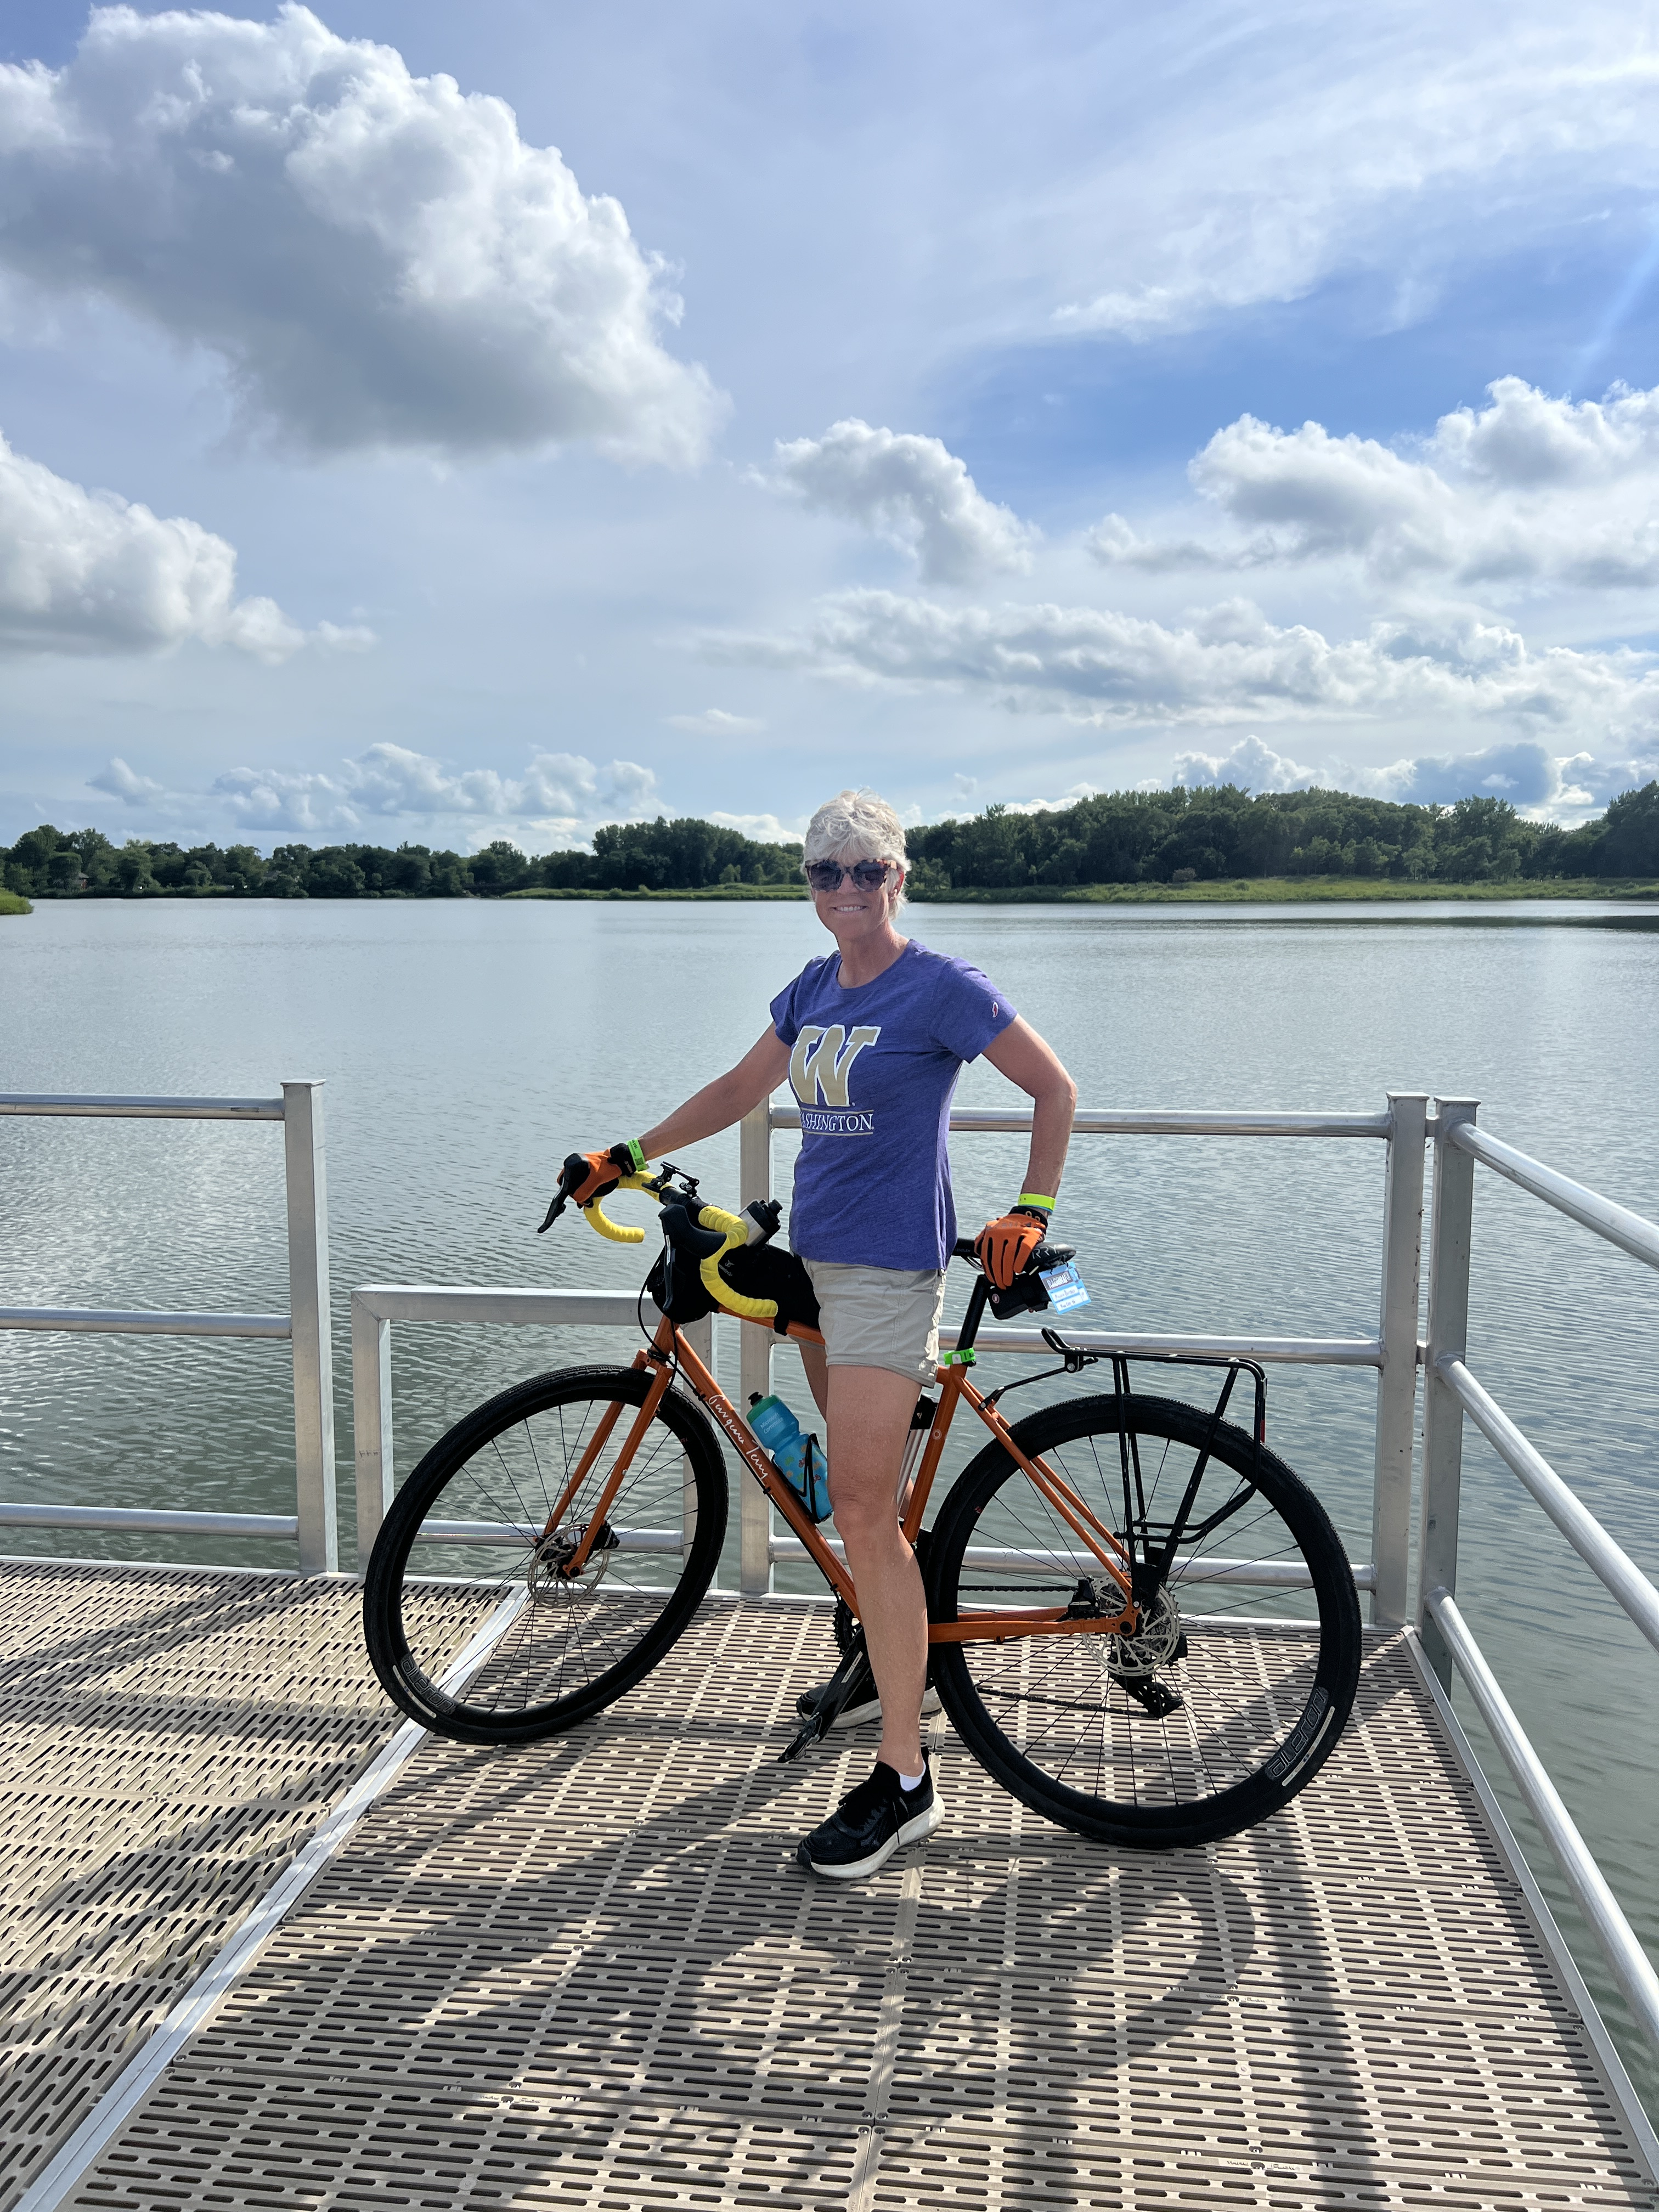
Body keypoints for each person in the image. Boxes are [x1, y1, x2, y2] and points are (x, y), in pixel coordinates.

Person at [565, 788, 1076, 1878]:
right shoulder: (810, 987)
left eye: (865, 869)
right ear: (807, 885)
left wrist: (1031, 1210)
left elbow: (1054, 1088)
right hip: (818, 1263)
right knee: (862, 1504)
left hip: (889, 1276)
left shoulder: (941, 986)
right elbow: (739, 1088)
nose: (844, 888)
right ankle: (888, 1667)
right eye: (823, 872)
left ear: (899, 878)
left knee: (864, 1518)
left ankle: (907, 1780)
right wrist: (627, 1155)